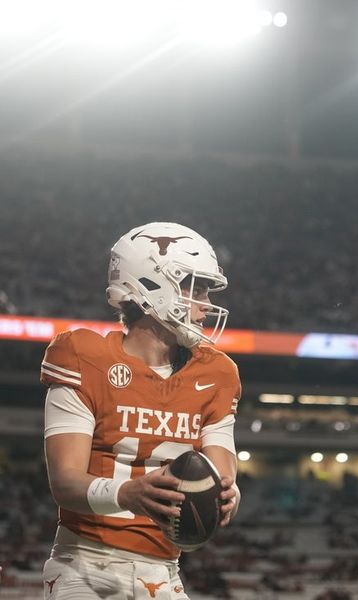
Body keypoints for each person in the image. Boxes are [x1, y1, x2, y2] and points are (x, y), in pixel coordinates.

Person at [40, 222, 242, 599]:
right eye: (193, 287)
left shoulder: (217, 372)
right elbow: (64, 483)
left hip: (164, 571)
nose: (205, 305)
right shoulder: (84, 355)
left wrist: (228, 494)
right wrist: (127, 493)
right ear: (150, 285)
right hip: (84, 564)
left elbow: (220, 469)